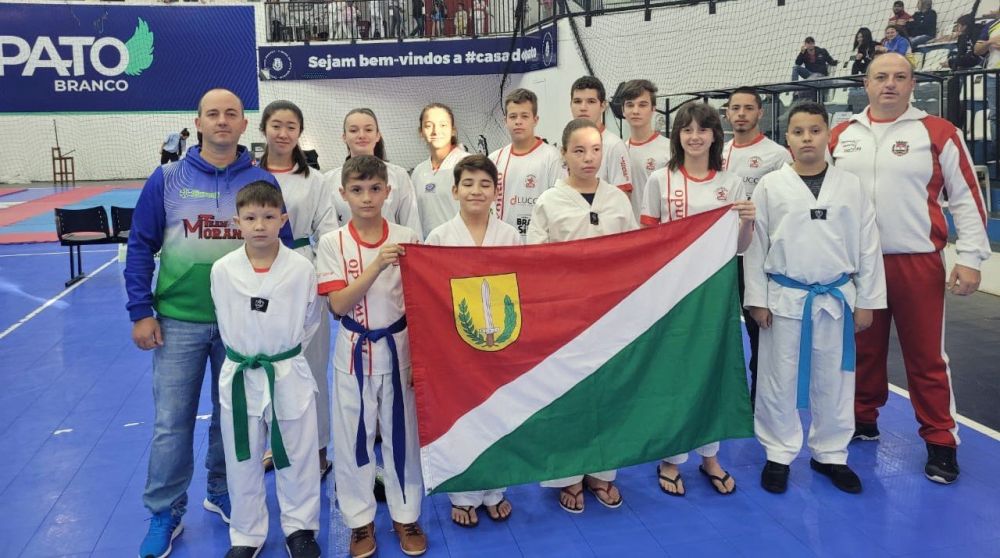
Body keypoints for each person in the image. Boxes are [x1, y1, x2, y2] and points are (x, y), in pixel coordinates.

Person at [127, 88, 292, 558]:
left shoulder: (261, 180)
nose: (222, 121)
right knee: (171, 422)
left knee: (232, 417)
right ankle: (165, 510)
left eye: (231, 114)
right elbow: (140, 244)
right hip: (177, 321)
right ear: (197, 123)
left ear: (244, 125)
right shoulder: (167, 179)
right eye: (213, 114)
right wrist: (140, 311)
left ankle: (221, 490)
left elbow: (282, 246)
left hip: (242, 325)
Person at [830, 53, 991, 485]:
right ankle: (862, 418)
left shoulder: (938, 132)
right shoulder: (841, 135)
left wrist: (971, 258)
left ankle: (940, 440)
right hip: (857, 263)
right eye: (881, 76)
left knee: (925, 355)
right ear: (865, 84)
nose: (890, 84)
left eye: (900, 77)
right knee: (862, 348)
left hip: (917, 261)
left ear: (912, 84)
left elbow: (967, 199)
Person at [744, 101, 886, 496]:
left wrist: (867, 300)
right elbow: (756, 245)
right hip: (784, 297)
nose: (807, 138)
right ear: (787, 138)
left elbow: (868, 245)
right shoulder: (771, 185)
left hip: (837, 297)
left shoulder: (851, 185)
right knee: (777, 379)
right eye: (798, 131)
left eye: (815, 130)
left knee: (835, 378)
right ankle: (778, 453)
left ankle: (830, 454)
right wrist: (757, 299)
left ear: (828, 135)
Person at [639, 102, 753, 498]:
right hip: (671, 295)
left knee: (713, 371)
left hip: (716, 294)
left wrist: (748, 221)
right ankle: (671, 458)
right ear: (677, 136)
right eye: (686, 129)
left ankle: (710, 456)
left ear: (714, 135)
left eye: (702, 129)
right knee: (674, 375)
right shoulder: (660, 180)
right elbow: (648, 242)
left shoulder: (731, 183)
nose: (694, 136)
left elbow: (740, 247)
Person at [316, 156, 426, 557]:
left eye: (375, 189)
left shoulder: (407, 236)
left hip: (400, 349)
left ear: (387, 192)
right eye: (357, 190)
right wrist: (377, 264)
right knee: (353, 440)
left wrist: (420, 358)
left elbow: (421, 301)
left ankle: (405, 515)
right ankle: (360, 521)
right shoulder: (332, 242)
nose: (367, 197)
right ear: (343, 194)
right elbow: (338, 305)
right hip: (353, 353)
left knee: (403, 437)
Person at [211, 182, 324, 558]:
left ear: (283, 220)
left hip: (286, 371)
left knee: (297, 454)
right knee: (242, 457)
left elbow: (311, 320)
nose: (259, 225)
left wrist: (283, 355)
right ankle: (246, 534)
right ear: (237, 222)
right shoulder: (222, 270)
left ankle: (300, 529)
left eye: (268, 216)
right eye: (250, 218)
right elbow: (223, 316)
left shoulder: (301, 268)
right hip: (241, 375)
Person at [529, 119, 637, 513]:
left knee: (608, 393)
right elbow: (535, 263)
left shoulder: (617, 200)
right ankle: (569, 474)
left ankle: (602, 471)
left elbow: (635, 254)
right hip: (565, 316)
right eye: (579, 150)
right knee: (568, 394)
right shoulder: (549, 201)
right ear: (563, 154)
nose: (588, 158)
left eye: (595, 150)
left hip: (610, 315)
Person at [425, 155, 519, 527]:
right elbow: (428, 295)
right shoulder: (439, 238)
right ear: (454, 191)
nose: (476, 191)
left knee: (499, 412)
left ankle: (495, 489)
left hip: (501, 339)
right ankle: (463, 494)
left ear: (496, 192)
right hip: (455, 343)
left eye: (484, 184)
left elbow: (520, 288)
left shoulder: (509, 235)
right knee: (460, 415)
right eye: (468, 183)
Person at [257, 101, 339, 478]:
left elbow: (328, 232)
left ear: (300, 133)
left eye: (291, 126)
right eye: (276, 125)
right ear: (264, 129)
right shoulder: (249, 176)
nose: (283, 133)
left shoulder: (315, 180)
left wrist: (322, 279)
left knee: (312, 366)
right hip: (260, 273)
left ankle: (319, 448)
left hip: (305, 272)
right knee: (269, 365)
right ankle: (275, 445)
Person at [722, 87, 793, 408]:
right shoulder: (718, 152)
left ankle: (761, 401)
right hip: (720, 256)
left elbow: (787, 205)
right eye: (735, 108)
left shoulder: (777, 155)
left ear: (760, 113)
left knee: (758, 330)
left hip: (756, 256)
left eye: (748, 108)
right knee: (719, 330)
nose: (741, 114)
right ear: (727, 113)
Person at [326, 108, 422, 234]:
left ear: (377, 136)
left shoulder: (399, 175)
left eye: (368, 130)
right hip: (345, 246)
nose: (361, 135)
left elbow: (412, 223)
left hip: (392, 246)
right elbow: (327, 230)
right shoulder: (328, 180)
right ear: (344, 137)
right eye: (354, 130)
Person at [488, 88, 564, 239]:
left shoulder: (552, 157)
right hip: (503, 244)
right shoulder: (494, 159)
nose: (518, 121)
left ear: (535, 120)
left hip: (539, 244)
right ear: (505, 121)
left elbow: (559, 205)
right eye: (513, 116)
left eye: (524, 116)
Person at [569, 76, 634, 199]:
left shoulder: (614, 146)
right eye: (577, 101)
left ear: (603, 106)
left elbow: (623, 198)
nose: (583, 107)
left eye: (591, 101)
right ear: (570, 105)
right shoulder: (567, 144)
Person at [412, 103, 470, 238]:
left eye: (442, 125)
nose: (435, 131)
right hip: (428, 246)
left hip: (461, 245)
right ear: (421, 132)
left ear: (453, 130)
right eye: (428, 125)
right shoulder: (418, 172)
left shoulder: (468, 164)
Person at [620, 79, 671, 220]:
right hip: (627, 229)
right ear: (623, 110)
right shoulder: (619, 151)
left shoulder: (670, 149)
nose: (635, 111)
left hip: (659, 229)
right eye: (630, 105)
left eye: (642, 105)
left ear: (653, 108)